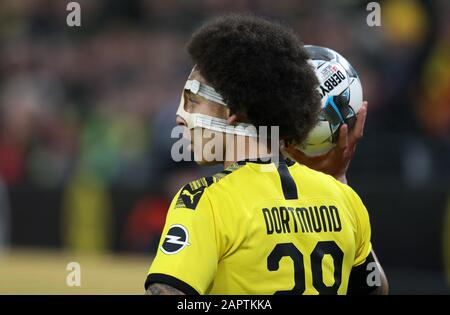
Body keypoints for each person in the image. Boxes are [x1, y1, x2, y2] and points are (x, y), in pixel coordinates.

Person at [145, 14, 388, 295]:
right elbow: (375, 289)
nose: (180, 117)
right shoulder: (343, 198)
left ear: (233, 111)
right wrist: (337, 182)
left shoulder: (204, 202)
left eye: (194, 101)